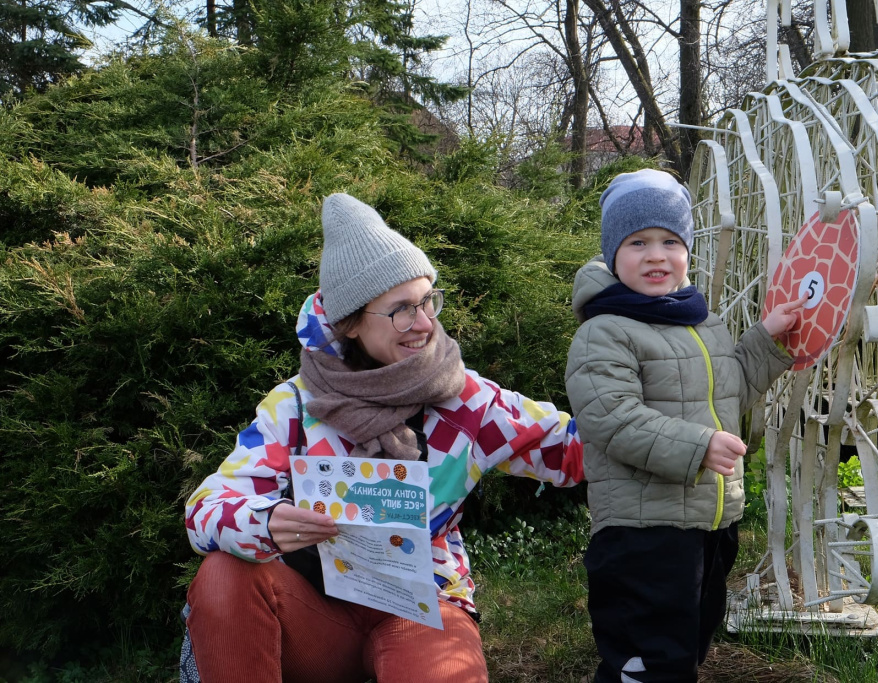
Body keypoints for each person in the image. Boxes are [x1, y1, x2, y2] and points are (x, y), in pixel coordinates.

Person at [184, 192, 584, 683]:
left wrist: (669, 427)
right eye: (400, 310)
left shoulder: (467, 400)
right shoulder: (297, 404)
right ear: (350, 323)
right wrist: (263, 521)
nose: (424, 323)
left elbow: (571, 450)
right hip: (318, 609)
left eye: (427, 300)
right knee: (224, 575)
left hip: (423, 606)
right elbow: (205, 507)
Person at [564, 168, 806, 683]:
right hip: (643, 531)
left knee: (688, 645)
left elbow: (730, 386)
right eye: (638, 242)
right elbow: (612, 417)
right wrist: (698, 446)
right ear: (612, 253)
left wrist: (766, 339)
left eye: (670, 241)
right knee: (651, 659)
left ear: (687, 250)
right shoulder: (604, 332)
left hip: (708, 521)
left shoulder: (698, 321)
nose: (656, 255)